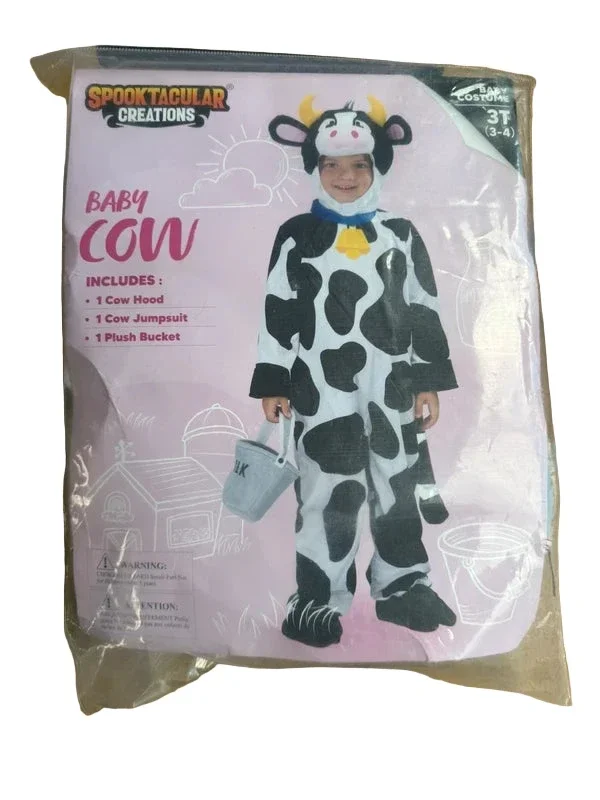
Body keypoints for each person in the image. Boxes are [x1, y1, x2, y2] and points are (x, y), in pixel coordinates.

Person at [249, 95, 458, 647]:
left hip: (392, 385)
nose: (346, 176)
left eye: (360, 164)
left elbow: (422, 305)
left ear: (377, 165)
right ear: (315, 168)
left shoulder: (401, 234)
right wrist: (274, 379)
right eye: (332, 165)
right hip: (320, 388)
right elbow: (277, 307)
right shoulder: (296, 235)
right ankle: (317, 597)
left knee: (397, 483)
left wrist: (428, 379)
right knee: (327, 489)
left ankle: (403, 586)